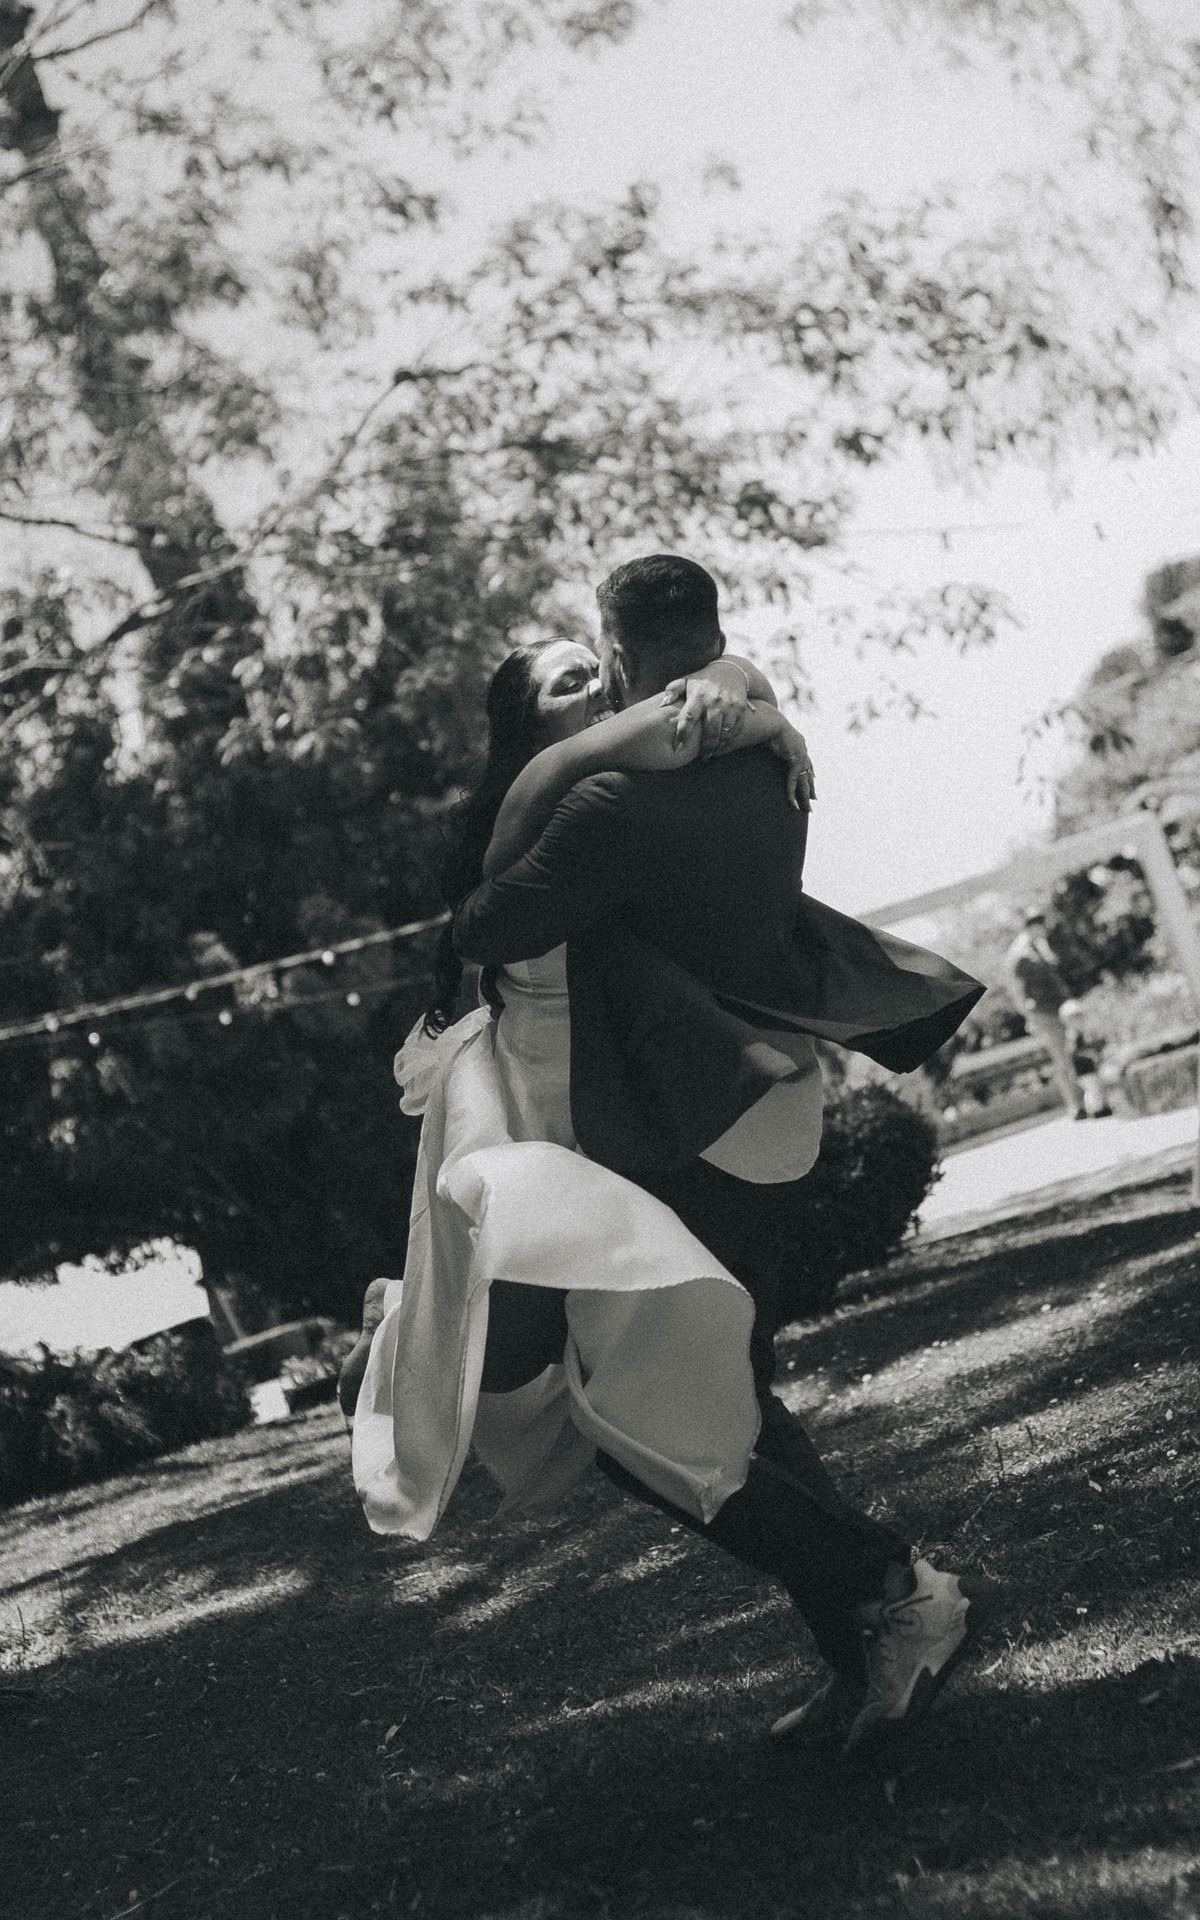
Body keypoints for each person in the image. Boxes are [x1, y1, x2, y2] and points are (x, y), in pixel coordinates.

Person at [348, 558, 992, 1751]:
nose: (598, 689)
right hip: (597, 1142)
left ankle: (896, 1593)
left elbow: (489, 919)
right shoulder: (580, 797)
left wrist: (745, 701)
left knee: (651, 1428)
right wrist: (695, 716)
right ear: (521, 727)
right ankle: (868, 1637)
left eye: (595, 668)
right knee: (710, 1410)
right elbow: (492, 919)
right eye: (566, 684)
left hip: (661, 1139)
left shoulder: (621, 791)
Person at [1005, 909, 1087, 1118]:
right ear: (1032, 926)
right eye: (1040, 925)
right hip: (1043, 1012)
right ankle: (1076, 1105)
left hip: (1059, 1008)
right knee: (1062, 1056)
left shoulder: (1038, 946)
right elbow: (1017, 991)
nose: (1044, 929)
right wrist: (1029, 1017)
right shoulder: (1020, 954)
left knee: (1072, 1051)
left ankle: (1085, 1099)